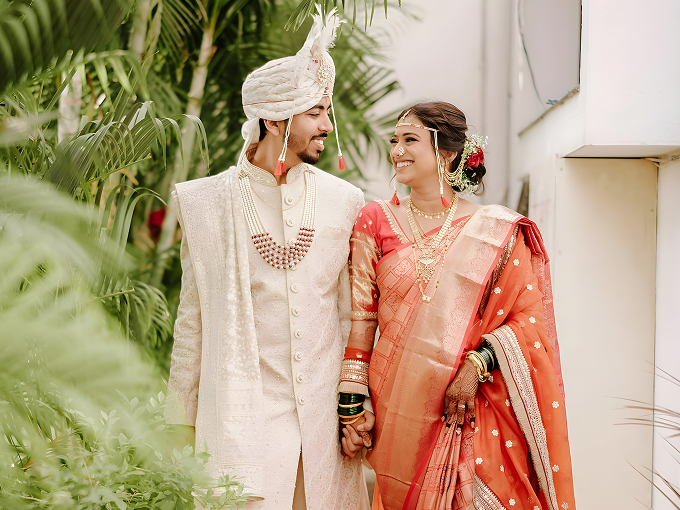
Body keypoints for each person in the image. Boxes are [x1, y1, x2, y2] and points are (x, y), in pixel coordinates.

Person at [166, 8, 369, 510]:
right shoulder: (204, 202)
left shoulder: (346, 201)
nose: (327, 125)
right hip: (244, 426)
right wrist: (177, 427)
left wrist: (358, 407)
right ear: (277, 120)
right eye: (316, 112)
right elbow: (191, 321)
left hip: (324, 430)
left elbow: (354, 318)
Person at [337, 102, 576, 510]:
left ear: (445, 153)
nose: (397, 150)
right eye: (394, 140)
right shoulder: (374, 219)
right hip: (399, 406)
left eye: (410, 139)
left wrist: (475, 364)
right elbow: (362, 320)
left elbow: (528, 318)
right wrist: (351, 404)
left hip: (469, 408)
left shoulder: (495, 229)